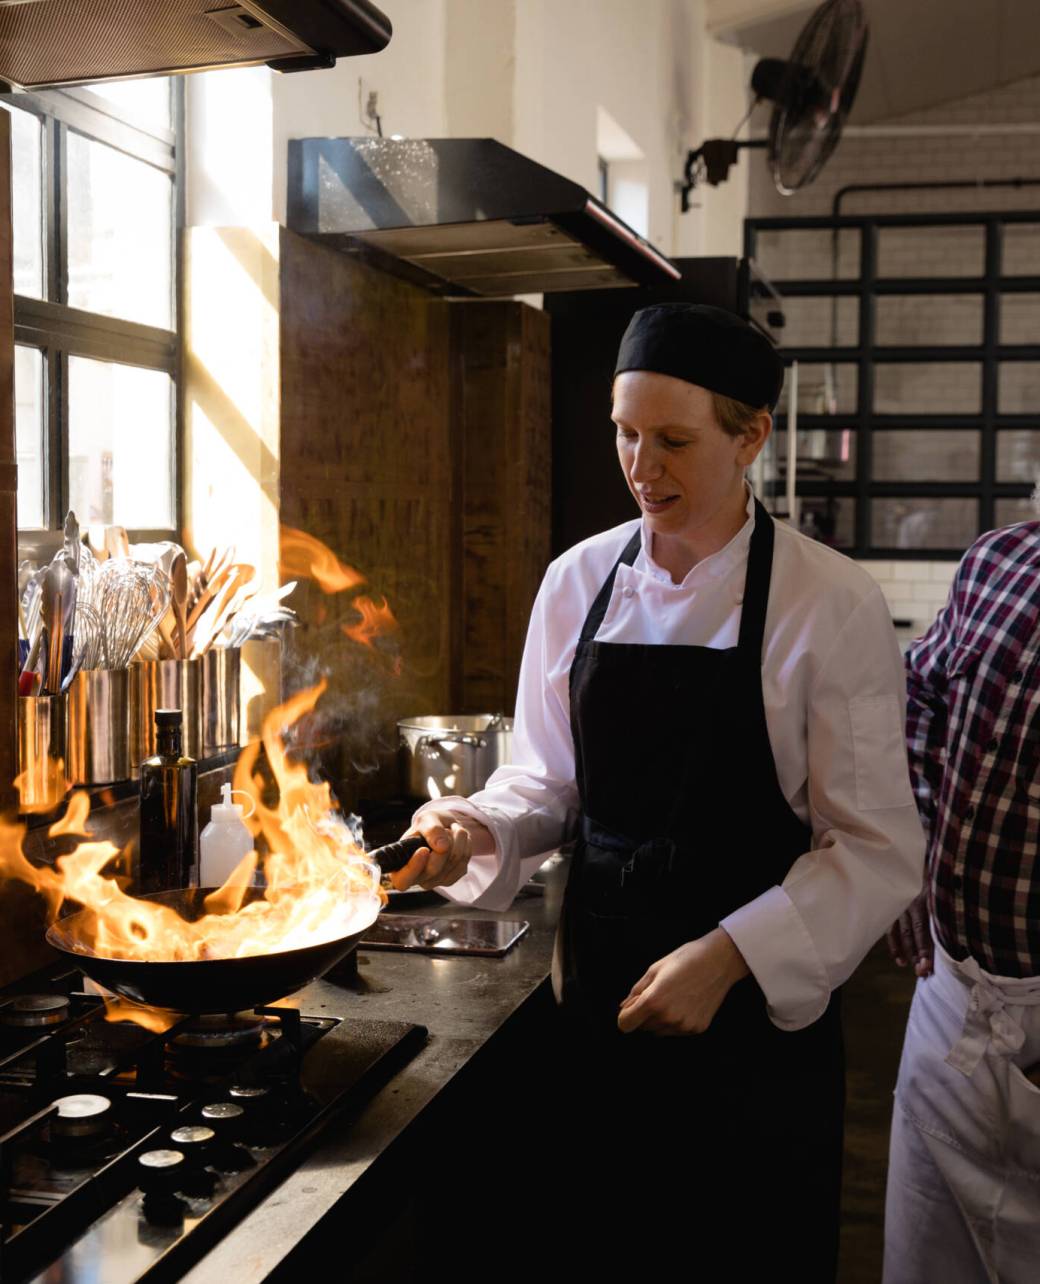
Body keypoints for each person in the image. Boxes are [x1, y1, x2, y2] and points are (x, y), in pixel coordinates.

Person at [392, 303, 923, 1279]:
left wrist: (726, 957)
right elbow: (545, 780)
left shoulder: (825, 601)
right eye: (624, 434)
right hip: (599, 1007)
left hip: (750, 1031)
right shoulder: (576, 581)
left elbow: (875, 848)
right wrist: (471, 827)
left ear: (750, 436)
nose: (640, 468)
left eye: (672, 441)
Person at [885, 516, 1040, 1284]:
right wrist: (913, 850)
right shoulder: (1003, 558)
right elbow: (920, 691)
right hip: (948, 990)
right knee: (922, 1257)